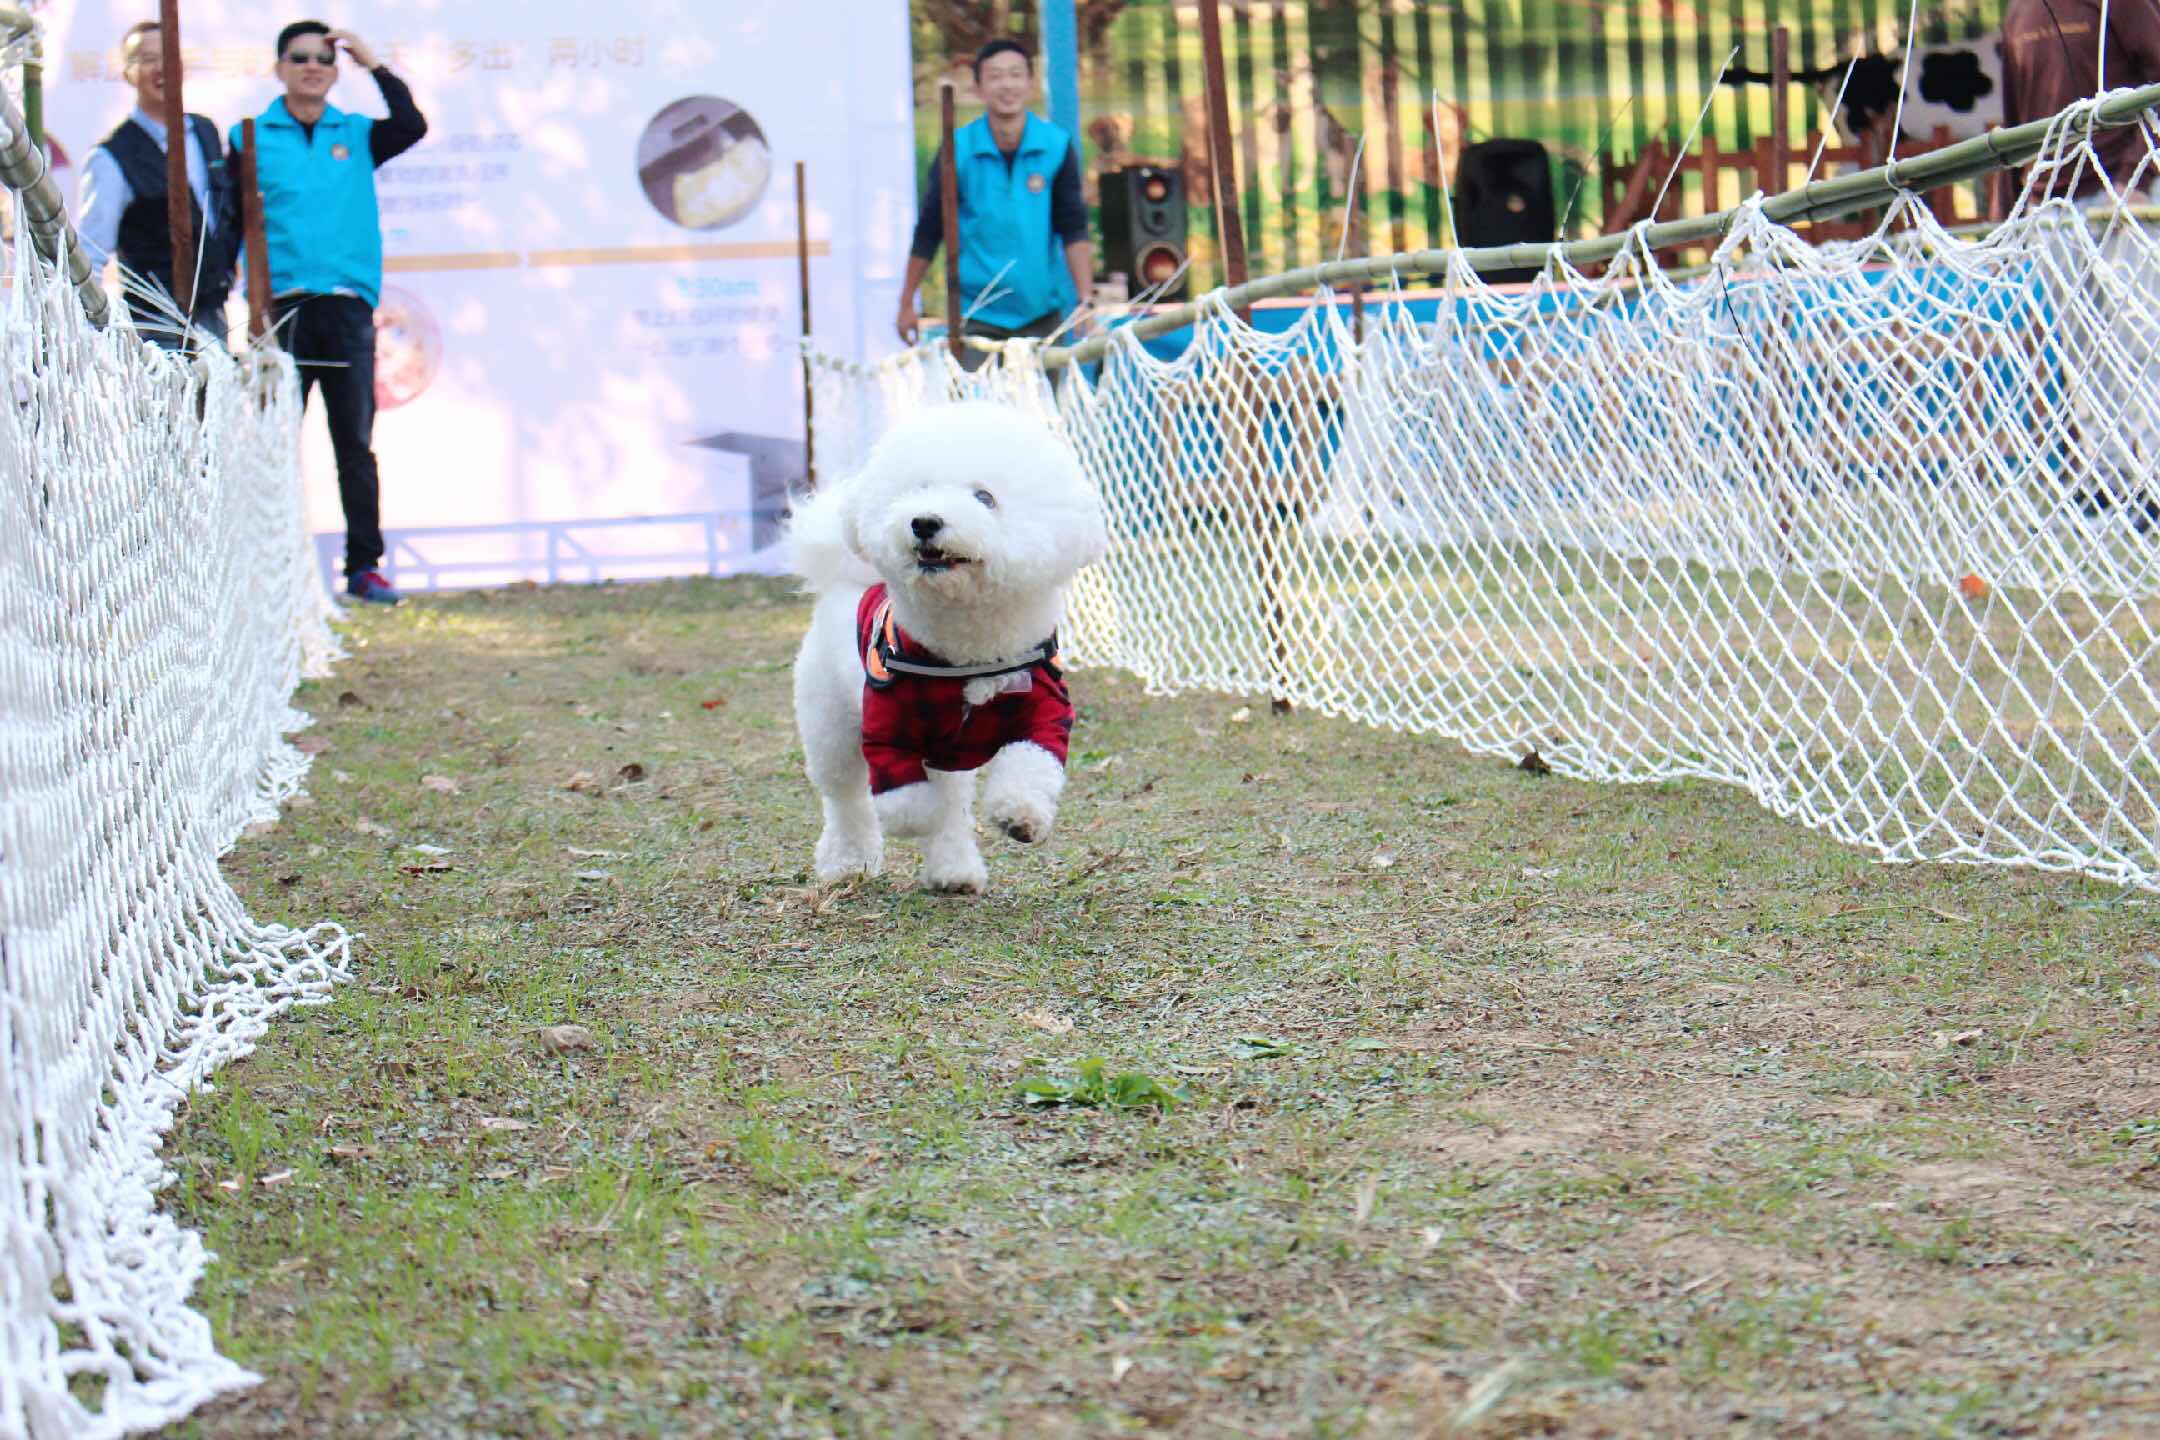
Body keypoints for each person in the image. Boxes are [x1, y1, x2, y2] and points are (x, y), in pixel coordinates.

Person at [230, 21, 427, 605]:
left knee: (353, 445)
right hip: (281, 308)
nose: (312, 66)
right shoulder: (250, 137)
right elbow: (227, 217)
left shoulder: (358, 132)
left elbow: (412, 125)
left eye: (323, 58)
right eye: (299, 57)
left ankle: (363, 568)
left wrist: (374, 64)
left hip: (345, 305)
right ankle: (269, 568)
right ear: (279, 67)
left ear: (335, 71)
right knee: (273, 439)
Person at [2002, 0, 2160, 532]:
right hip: (2052, 206)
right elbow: (2013, 123)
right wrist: (2017, 209)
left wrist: (2137, 178)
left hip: (2122, 197)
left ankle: (2154, 483)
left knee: (2139, 340)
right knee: (2080, 346)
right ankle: (2105, 483)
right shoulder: (2018, 14)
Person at [896, 39, 1093, 367]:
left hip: (1042, 314)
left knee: (1043, 415)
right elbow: (930, 231)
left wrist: (1086, 301)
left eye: (1016, 75)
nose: (1007, 85)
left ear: (1030, 83)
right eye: (996, 76)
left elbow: (1073, 228)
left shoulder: (1056, 146)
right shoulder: (956, 150)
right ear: (978, 88)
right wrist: (906, 303)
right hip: (976, 318)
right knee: (981, 416)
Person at [76, 20, 238, 349]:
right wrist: (83, 331)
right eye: (147, 59)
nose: (161, 68)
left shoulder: (206, 132)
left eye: (169, 56)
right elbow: (88, 254)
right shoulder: (111, 156)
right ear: (127, 73)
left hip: (212, 315)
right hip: (153, 327)